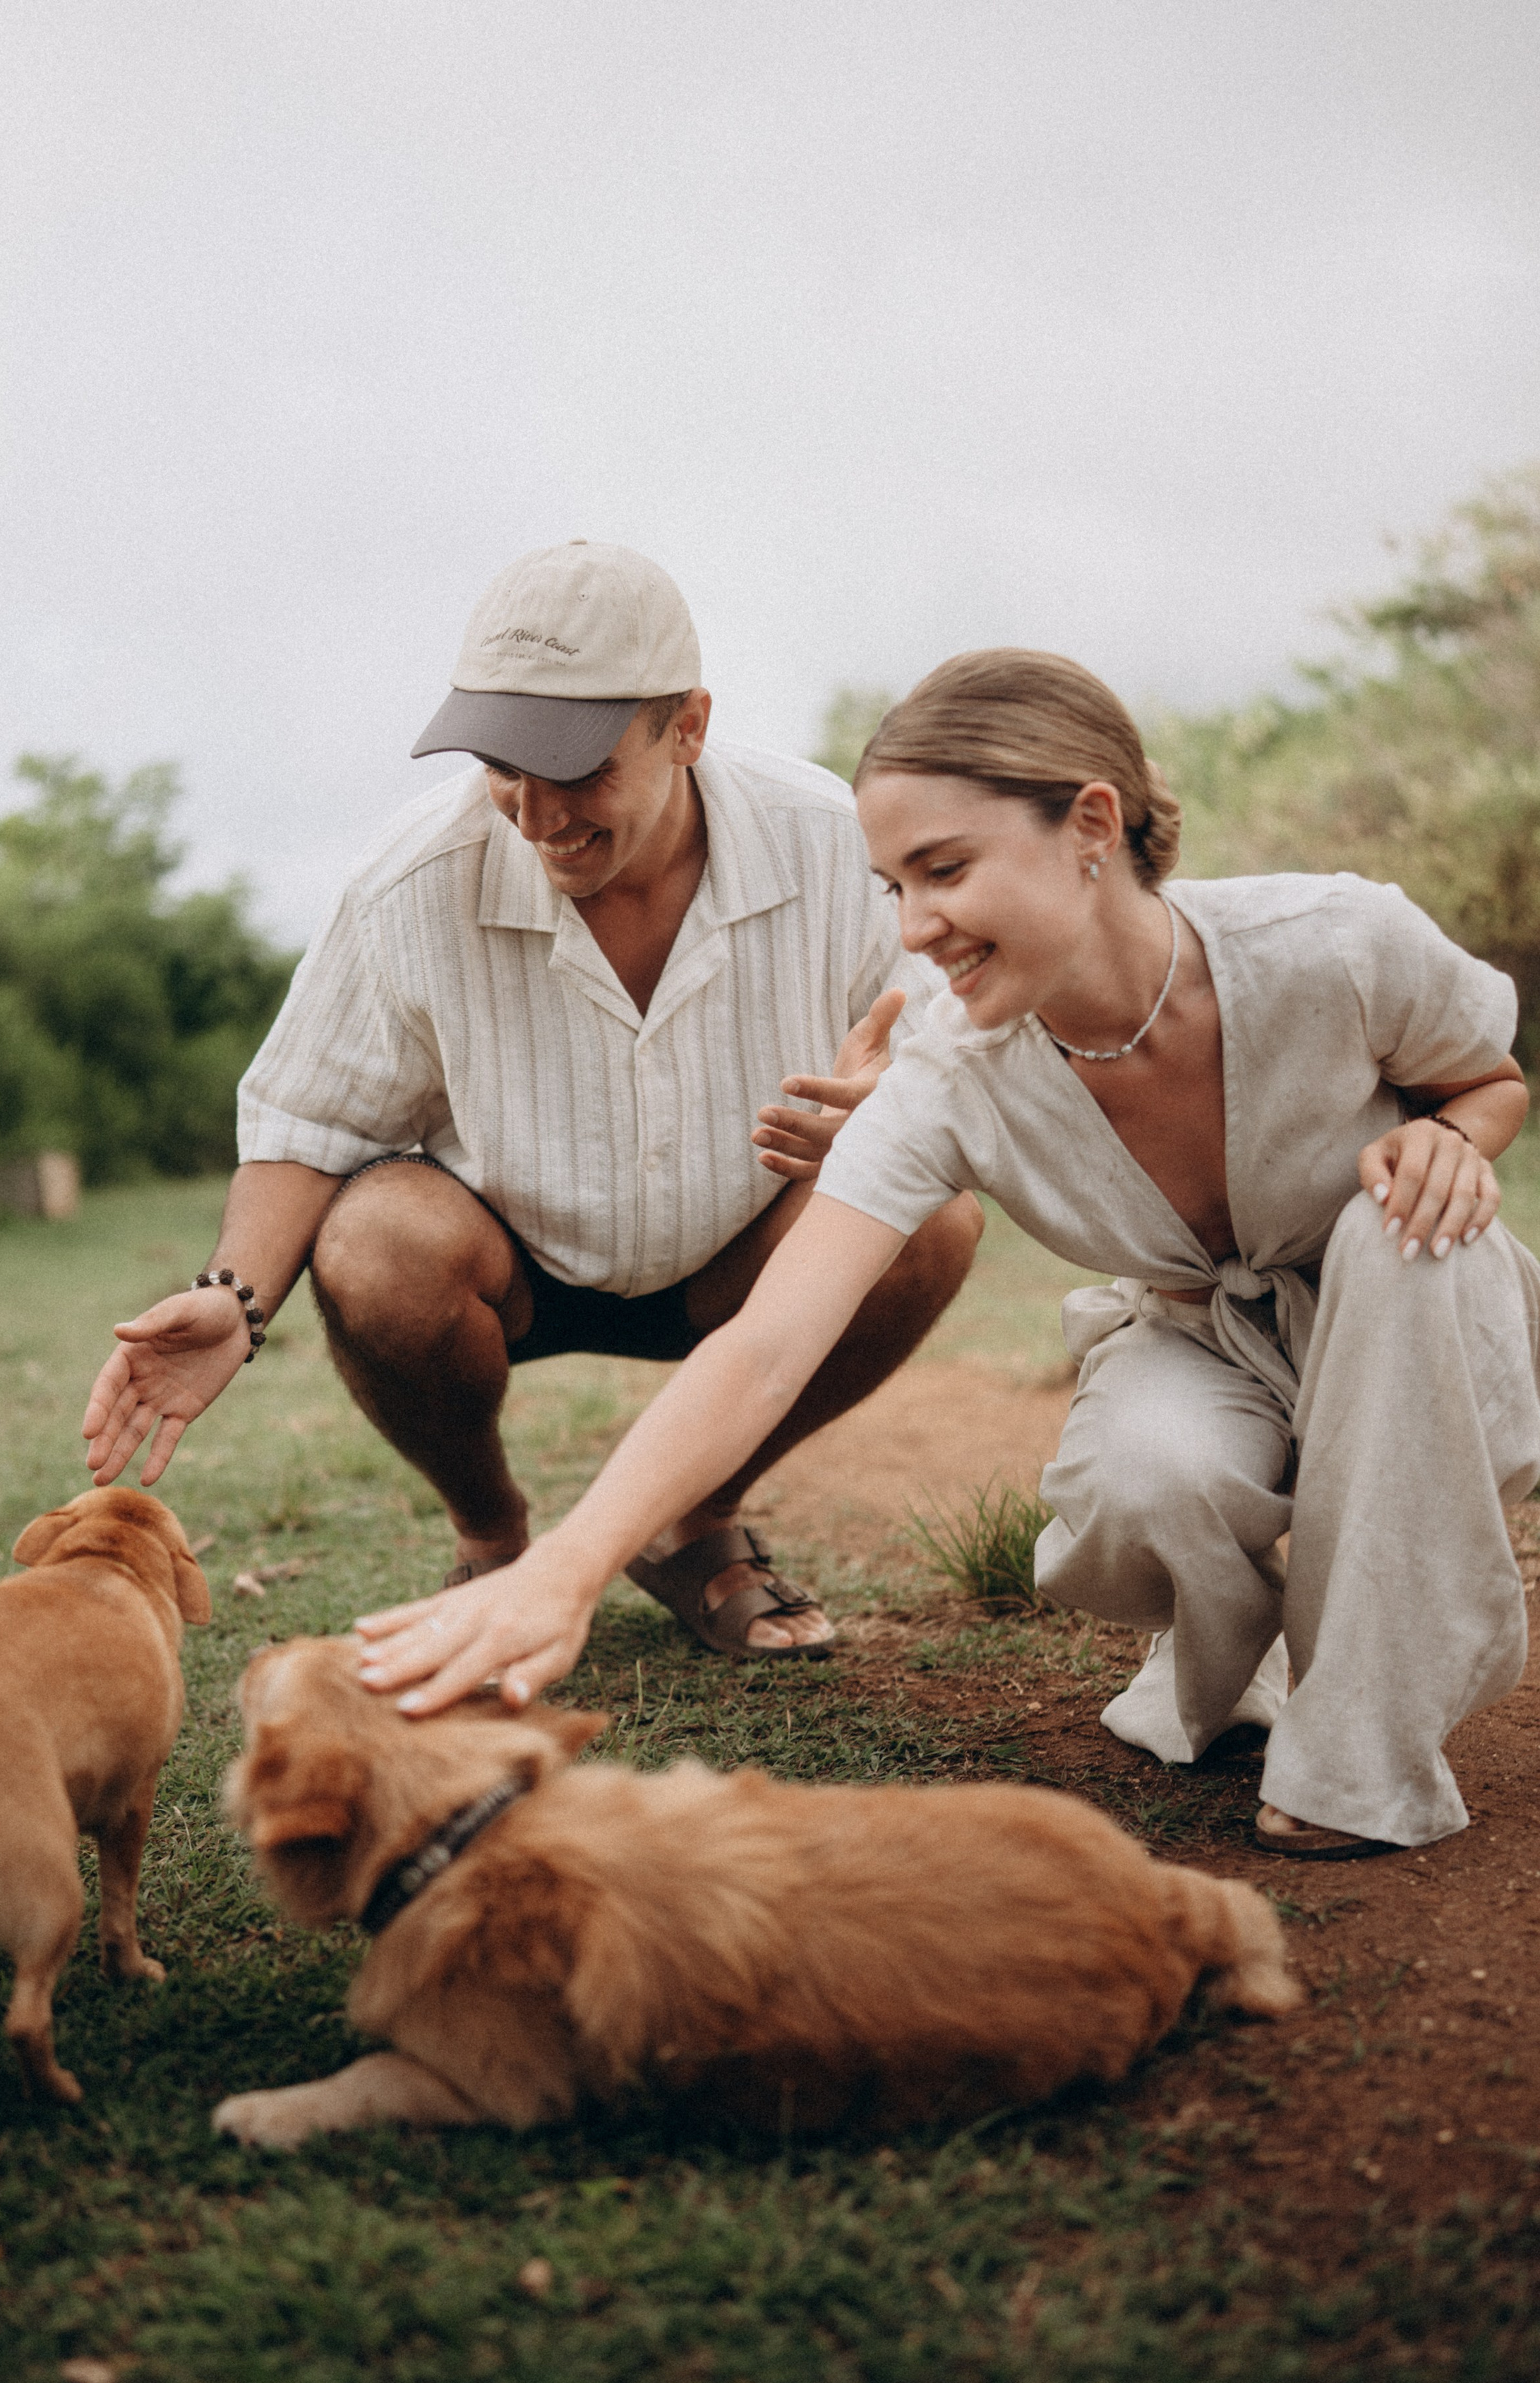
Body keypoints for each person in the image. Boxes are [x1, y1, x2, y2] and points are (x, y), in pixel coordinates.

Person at [351, 648, 1539, 1864]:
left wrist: (1453, 1136)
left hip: (1417, 1317)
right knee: (1143, 1483)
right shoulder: (948, 1071)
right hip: (1209, 1338)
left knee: (1396, 1236)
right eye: (893, 887)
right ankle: (1250, 1649)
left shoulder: (1333, 940)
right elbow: (765, 1347)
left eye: (946, 871)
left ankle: (1359, 1749)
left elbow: (1490, 1077)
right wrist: (570, 1566)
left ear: (1091, 823)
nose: (918, 930)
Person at [80, 542, 982, 1654]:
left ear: (688, 726)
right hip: (507, 1268)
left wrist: (888, 1106)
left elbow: (957, 1046)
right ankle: (492, 1535)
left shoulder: (833, 839)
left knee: (930, 1217)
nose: (537, 809)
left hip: (752, 1254)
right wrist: (233, 1295)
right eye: (505, 762)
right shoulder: (414, 880)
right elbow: (305, 1123)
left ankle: (692, 1523)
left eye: (580, 766)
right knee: (374, 1242)